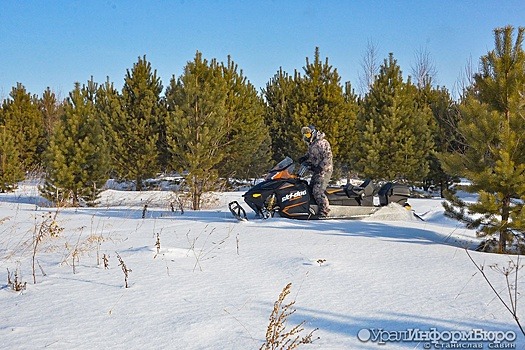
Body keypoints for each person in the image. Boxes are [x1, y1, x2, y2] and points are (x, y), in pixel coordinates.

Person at [299, 125, 333, 218]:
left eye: (308, 134)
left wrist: (321, 167)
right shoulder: (312, 144)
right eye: (306, 135)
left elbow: (328, 157)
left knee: (317, 190)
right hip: (317, 170)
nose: (307, 136)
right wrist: (305, 157)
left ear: (313, 133)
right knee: (310, 189)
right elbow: (312, 154)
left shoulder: (322, 142)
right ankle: (313, 208)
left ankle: (324, 211)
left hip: (325, 170)